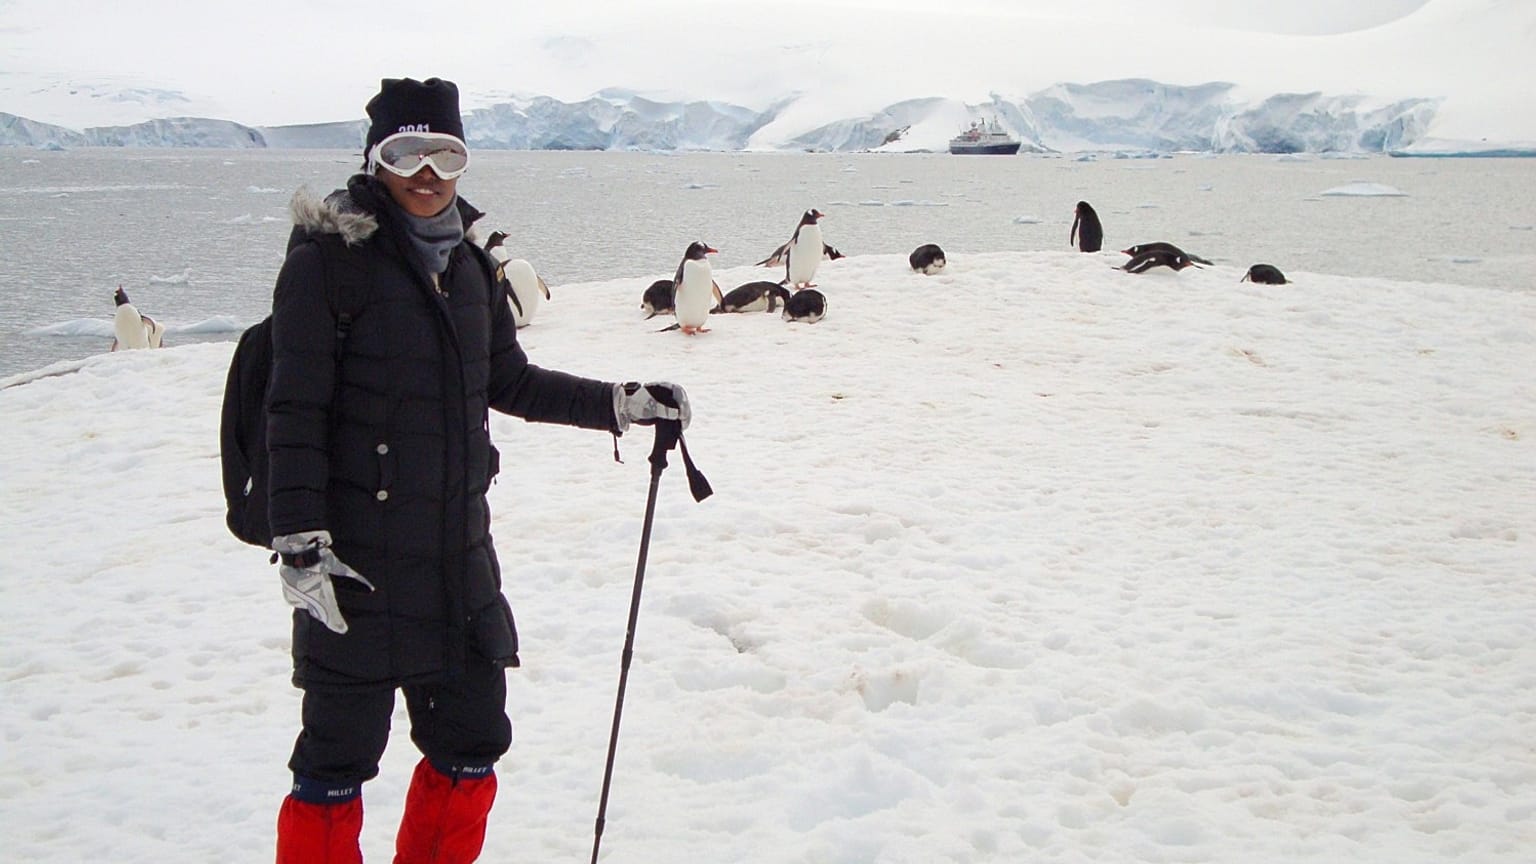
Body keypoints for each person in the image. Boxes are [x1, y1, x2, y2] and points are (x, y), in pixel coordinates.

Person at [265, 76, 691, 864]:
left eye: (445, 154)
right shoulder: (328, 268)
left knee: (471, 747)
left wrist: (620, 403)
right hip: (351, 567)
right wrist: (297, 541)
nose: (427, 174)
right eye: (407, 153)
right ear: (375, 161)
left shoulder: (468, 271)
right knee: (336, 763)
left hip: (456, 561)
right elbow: (291, 410)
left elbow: (510, 381)